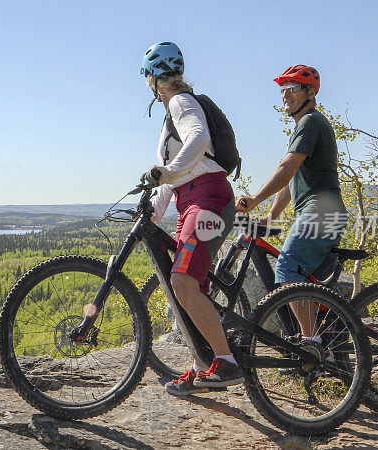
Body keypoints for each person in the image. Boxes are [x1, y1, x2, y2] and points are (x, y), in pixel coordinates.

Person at [140, 42, 242, 395]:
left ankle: (227, 363)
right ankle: (204, 366)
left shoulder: (182, 102)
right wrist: (152, 212)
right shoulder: (171, 115)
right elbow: (175, 178)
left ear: (153, 79)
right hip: (193, 201)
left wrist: (166, 173)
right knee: (188, 284)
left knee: (182, 282)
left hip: (209, 199)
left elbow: (198, 139)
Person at [235, 65, 347, 343]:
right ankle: (331, 343)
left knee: (287, 268)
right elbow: (291, 177)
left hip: (320, 214)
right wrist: (271, 214)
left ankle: (311, 344)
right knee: (309, 286)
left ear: (310, 92)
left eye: (292, 88)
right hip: (321, 213)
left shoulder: (310, 122)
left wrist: (254, 200)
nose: (285, 95)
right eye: (282, 89)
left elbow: (286, 167)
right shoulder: (305, 125)